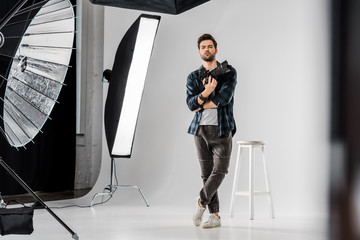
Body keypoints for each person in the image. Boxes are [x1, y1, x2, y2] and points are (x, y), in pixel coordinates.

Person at [186, 33, 237, 228]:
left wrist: (201, 102)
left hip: (222, 128)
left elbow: (222, 100)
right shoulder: (193, 77)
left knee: (221, 170)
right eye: (203, 47)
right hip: (200, 131)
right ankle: (214, 215)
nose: (206, 50)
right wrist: (205, 93)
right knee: (206, 174)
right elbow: (190, 105)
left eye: (210, 46)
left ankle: (201, 200)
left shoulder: (229, 73)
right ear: (199, 51)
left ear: (216, 49)